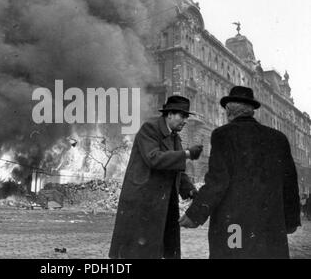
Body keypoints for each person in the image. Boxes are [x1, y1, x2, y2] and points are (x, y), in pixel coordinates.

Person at [180, 86, 301, 259]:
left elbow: (217, 182)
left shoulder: (223, 135)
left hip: (234, 226)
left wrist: (195, 214)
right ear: (251, 111)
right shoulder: (278, 138)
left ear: (228, 112)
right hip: (270, 226)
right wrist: (290, 221)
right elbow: (289, 184)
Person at [109, 95, 203, 259]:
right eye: (182, 116)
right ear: (169, 114)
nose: (185, 120)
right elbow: (154, 158)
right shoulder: (150, 129)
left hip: (163, 202)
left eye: (186, 117)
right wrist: (186, 153)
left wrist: (190, 191)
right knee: (140, 252)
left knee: (162, 250)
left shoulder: (174, 137)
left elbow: (176, 169)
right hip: (143, 202)